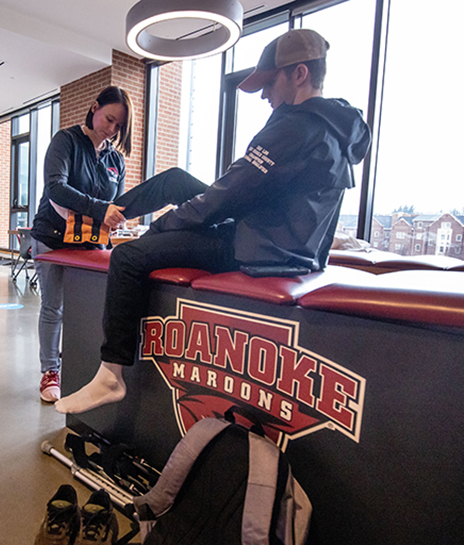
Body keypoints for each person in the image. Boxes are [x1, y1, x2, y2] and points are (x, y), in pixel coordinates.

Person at [55, 29, 372, 414]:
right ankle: (108, 214)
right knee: (175, 180)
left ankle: (110, 375)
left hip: (259, 250)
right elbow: (242, 190)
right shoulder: (334, 128)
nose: (264, 95)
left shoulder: (294, 127)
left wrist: (166, 227)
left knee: (130, 257)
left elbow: (229, 194)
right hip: (281, 240)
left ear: (299, 74)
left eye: (269, 84)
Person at [30, 86, 133, 402]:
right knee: (54, 307)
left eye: (118, 126)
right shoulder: (67, 141)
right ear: (94, 106)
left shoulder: (116, 159)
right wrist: (102, 209)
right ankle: (50, 371)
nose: (112, 129)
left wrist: (117, 215)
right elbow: (56, 189)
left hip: (92, 245)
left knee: (92, 309)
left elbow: (116, 202)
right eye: (110, 119)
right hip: (52, 239)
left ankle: (81, 367)